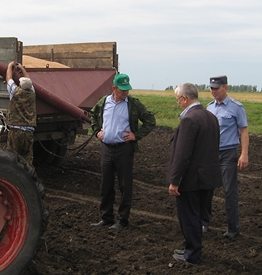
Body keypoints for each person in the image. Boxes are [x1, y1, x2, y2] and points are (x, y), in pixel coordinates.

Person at [90, 73, 156, 230]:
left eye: (127, 89)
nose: (126, 92)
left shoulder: (132, 104)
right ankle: (106, 218)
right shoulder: (104, 102)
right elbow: (92, 115)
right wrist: (96, 131)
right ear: (114, 88)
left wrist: (136, 135)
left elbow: (150, 120)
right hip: (106, 148)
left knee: (125, 186)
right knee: (106, 185)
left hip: (124, 150)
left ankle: (122, 220)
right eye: (122, 89)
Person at [168, 83, 222, 265]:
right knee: (197, 216)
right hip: (208, 177)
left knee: (189, 217)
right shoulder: (211, 117)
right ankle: (189, 247)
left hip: (191, 180)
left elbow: (182, 155)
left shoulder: (189, 120)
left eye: (178, 100)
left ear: (184, 99)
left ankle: (192, 254)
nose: (178, 103)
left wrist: (175, 180)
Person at [205, 75, 249, 238]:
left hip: (228, 153)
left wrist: (244, 154)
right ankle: (204, 222)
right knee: (206, 190)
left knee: (229, 191)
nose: (213, 91)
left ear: (225, 88)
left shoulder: (236, 107)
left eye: (216, 88)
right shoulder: (209, 108)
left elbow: (243, 130)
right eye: (211, 88)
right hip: (210, 154)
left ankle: (233, 228)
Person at [5, 61, 37, 164]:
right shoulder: (32, 94)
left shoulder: (15, 92)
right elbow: (29, 81)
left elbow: (9, 79)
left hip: (15, 130)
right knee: (27, 159)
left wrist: (10, 66)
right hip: (29, 131)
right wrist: (22, 69)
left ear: (19, 85)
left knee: (12, 158)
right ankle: (27, 177)